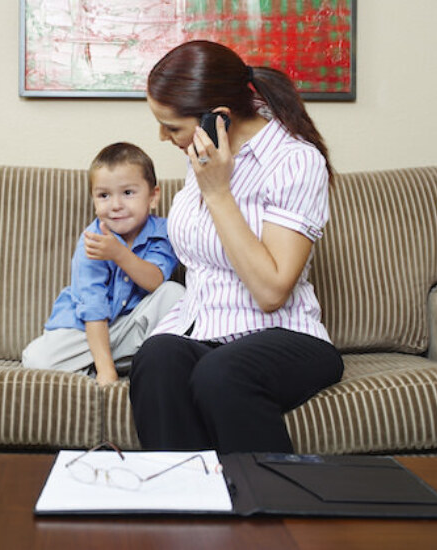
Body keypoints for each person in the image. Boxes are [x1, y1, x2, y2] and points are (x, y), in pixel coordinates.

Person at [129, 40, 344, 453]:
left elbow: (271, 291)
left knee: (220, 374)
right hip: (202, 327)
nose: (162, 136)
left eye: (171, 126)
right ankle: (188, 508)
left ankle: (269, 508)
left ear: (219, 119)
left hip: (283, 334)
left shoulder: (296, 161)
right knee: (156, 359)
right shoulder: (204, 151)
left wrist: (219, 194)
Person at [22, 142, 183, 386]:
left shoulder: (163, 232)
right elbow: (93, 307)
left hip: (130, 327)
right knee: (36, 359)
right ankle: (108, 361)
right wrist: (106, 371)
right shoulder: (92, 241)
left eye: (128, 193)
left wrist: (120, 254)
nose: (116, 205)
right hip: (87, 331)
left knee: (175, 294)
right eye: (104, 195)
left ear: (153, 196)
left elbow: (155, 281)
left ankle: (127, 360)